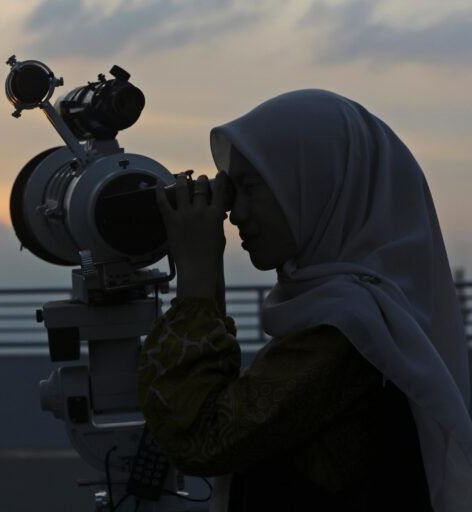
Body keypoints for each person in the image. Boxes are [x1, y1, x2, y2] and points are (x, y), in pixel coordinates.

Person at [138, 89, 472, 511]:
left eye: (251, 186)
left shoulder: (347, 329)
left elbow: (201, 438)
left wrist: (197, 277)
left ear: (316, 185)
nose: (235, 213)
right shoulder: (372, 314)